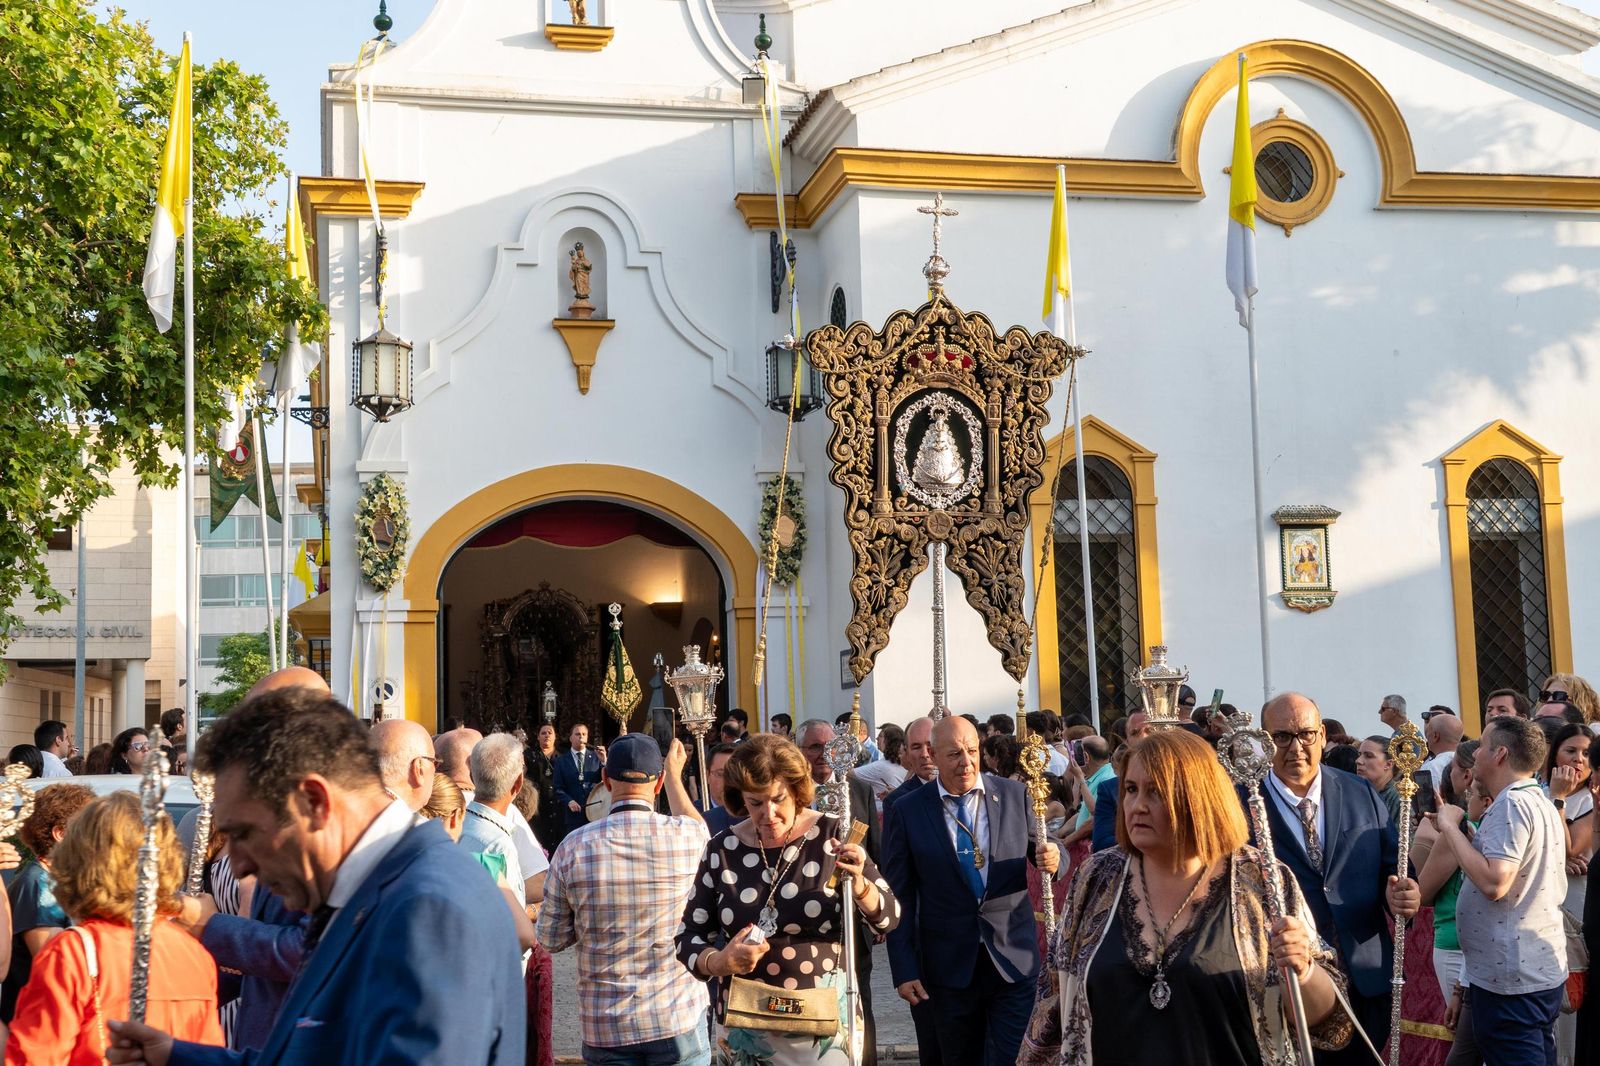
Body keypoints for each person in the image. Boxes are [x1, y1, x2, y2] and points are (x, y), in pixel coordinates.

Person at [105, 686, 525, 1065]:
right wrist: (173, 1057)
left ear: (313, 801)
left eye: (245, 834)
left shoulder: (426, 908)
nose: (239, 865)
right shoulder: (374, 891)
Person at [1019, 729, 1353, 1064]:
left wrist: (1304, 969)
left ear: (1198, 796)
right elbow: (1053, 1007)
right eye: (1131, 790)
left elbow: (1327, 1023)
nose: (1136, 806)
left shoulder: (1261, 879)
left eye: (1156, 792)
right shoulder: (1097, 877)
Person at [677, 734, 898, 1066]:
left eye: (778, 799)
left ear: (797, 789)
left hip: (821, 1030)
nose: (768, 814)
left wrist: (861, 887)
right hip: (747, 1030)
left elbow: (889, 917)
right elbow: (688, 938)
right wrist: (720, 962)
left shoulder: (833, 837)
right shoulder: (722, 850)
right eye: (755, 803)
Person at [882, 715, 1060, 1065]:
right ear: (932, 754)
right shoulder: (908, 810)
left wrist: (1054, 856)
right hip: (947, 966)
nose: (966, 762)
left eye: (972, 751)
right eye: (954, 754)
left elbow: (1045, 845)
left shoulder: (1012, 794)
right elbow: (898, 896)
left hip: (1012, 959)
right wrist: (904, 969)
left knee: (1014, 1058)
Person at [1258, 692, 1419, 1065]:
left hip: (1364, 973)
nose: (1297, 747)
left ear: (1322, 734)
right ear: (1265, 741)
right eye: (1283, 737)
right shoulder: (1242, 804)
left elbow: (1394, 868)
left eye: (1307, 734)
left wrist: (1404, 895)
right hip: (1287, 984)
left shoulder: (1358, 791)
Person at [7, 793, 223, 1064]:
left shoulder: (72, 953)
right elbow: (208, 1054)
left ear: (78, 859)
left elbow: (34, 1058)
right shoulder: (194, 953)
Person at [539, 734, 707, 1064]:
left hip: (606, 1024)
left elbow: (550, 938)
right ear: (657, 784)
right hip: (674, 1016)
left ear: (604, 780)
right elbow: (701, 829)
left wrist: (588, 917)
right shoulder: (686, 836)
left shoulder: (573, 847)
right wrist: (674, 775)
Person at [1429, 715, 1567, 1066]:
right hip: (1512, 974)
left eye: (1482, 747)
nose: (1473, 755)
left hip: (1512, 980)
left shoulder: (1513, 803)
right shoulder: (1533, 799)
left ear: (1500, 754)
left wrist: (1450, 828)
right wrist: (1471, 838)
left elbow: (1495, 882)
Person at [794, 719, 883, 1065]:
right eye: (814, 747)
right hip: (803, 921)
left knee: (859, 998)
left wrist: (874, 910)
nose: (823, 754)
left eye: (829, 745)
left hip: (852, 917)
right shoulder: (789, 791)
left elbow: (874, 851)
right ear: (800, 751)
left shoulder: (858, 789)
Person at [1413, 764, 1489, 1066]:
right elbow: (1422, 893)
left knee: (1473, 1047)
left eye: (1473, 793)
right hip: (1459, 949)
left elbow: (1423, 892)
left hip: (1473, 949)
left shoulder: (1458, 830)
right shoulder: (1456, 828)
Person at [2, 782, 95, 1024]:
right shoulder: (37, 884)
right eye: (89, 826)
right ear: (60, 834)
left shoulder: (62, 880)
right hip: (38, 1025)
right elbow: (54, 963)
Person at [879, 716, 941, 1066]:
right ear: (904, 753)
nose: (926, 753)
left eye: (931, 744)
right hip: (925, 943)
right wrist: (903, 965)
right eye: (916, 746)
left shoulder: (989, 793)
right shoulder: (899, 802)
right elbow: (897, 883)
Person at [1542, 722, 1593, 1065]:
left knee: (1569, 996)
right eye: (1570, 750)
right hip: (1540, 902)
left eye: (1586, 753)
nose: (1578, 760)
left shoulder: (1588, 799)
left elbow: (1570, 846)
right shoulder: (1535, 791)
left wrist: (1559, 799)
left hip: (1573, 905)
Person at [461, 732, 548, 909]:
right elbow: (511, 922)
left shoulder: (453, 824)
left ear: (471, 776)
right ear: (518, 784)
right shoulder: (499, 845)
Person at [369, 717, 439, 812]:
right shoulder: (418, 825)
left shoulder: (347, 810)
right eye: (434, 761)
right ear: (419, 770)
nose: (435, 769)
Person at [553, 723, 604, 834]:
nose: (581, 737)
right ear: (571, 738)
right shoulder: (561, 761)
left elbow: (608, 780)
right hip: (573, 816)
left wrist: (604, 761)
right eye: (577, 734)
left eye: (584, 734)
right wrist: (569, 801)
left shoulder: (596, 757)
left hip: (595, 813)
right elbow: (557, 788)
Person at [524, 723, 563, 852]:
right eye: (543, 733)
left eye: (550, 733)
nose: (547, 735)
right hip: (537, 808)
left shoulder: (562, 758)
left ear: (555, 737)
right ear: (538, 737)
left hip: (557, 808)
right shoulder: (529, 756)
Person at [854, 724, 907, 804]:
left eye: (881, 736)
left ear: (889, 741)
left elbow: (849, 774)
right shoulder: (903, 763)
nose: (877, 738)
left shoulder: (883, 766)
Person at [1356, 736, 1402, 826]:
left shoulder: (1400, 800)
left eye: (1369, 756)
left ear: (1388, 764)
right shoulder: (1355, 794)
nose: (1358, 761)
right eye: (1359, 755)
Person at [703, 742, 741, 836]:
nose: (728, 781)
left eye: (734, 774)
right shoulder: (692, 814)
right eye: (720, 774)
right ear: (707, 775)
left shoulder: (752, 815)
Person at [1425, 713, 1466, 797]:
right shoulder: (1470, 761)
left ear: (1435, 736)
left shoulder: (1431, 768)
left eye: (1428, 730)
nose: (1426, 736)